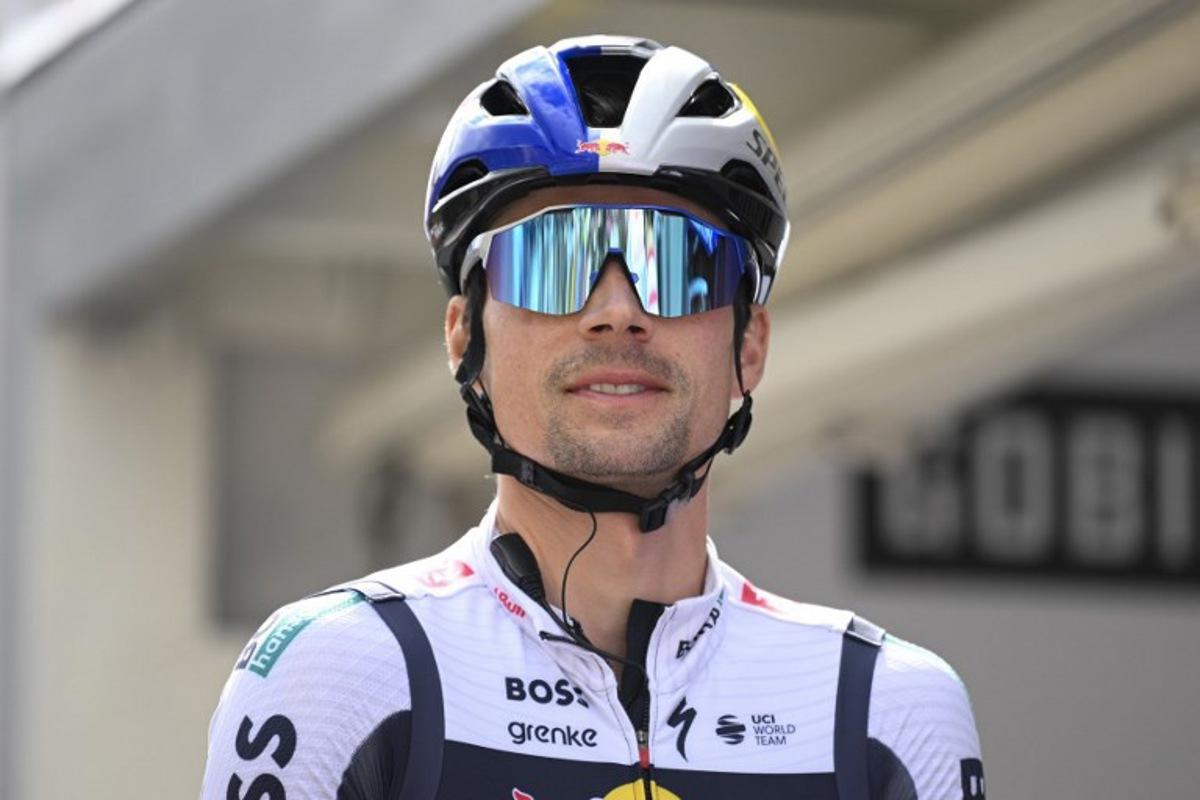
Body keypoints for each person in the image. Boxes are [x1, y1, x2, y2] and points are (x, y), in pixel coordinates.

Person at [201, 35, 985, 800]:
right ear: (465, 335)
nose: (616, 313)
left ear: (748, 345)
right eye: (555, 256)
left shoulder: (887, 709)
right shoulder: (343, 673)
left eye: (676, 264)